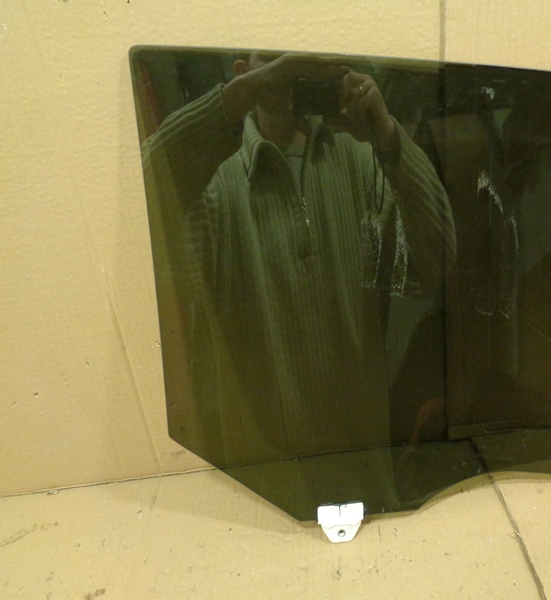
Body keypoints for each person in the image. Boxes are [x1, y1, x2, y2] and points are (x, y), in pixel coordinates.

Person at [140, 52, 455, 465]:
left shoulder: (362, 162)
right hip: (260, 474)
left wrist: (389, 137)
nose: (290, 73)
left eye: (300, 60)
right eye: (274, 60)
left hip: (362, 464)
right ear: (243, 71)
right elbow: (139, 193)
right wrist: (233, 100)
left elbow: (432, 265)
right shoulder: (215, 179)